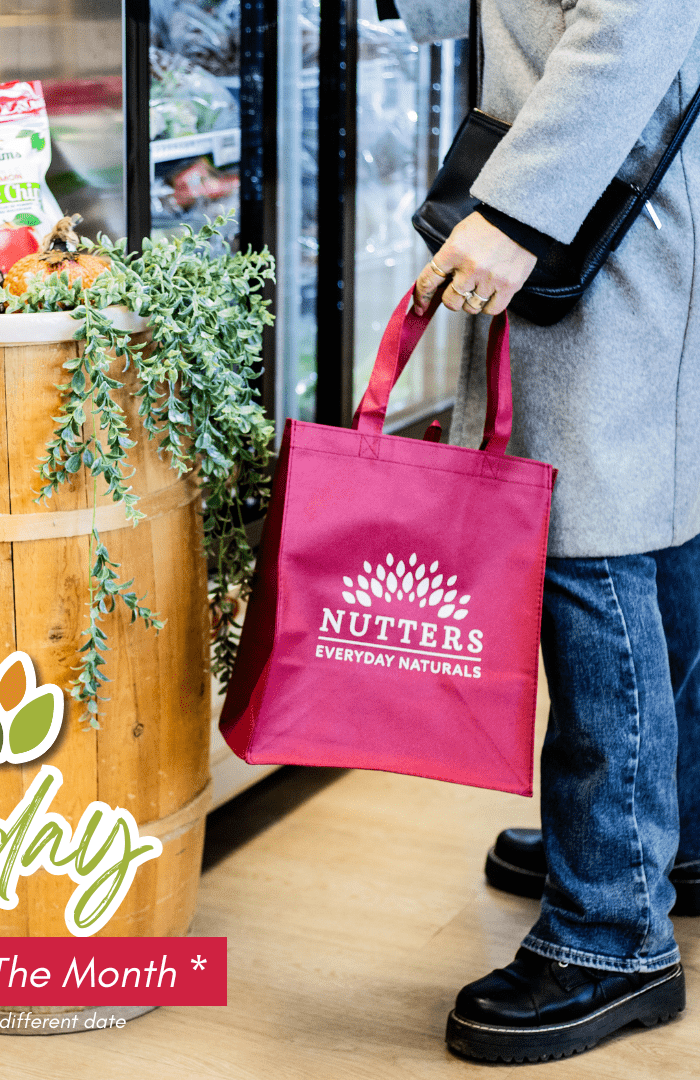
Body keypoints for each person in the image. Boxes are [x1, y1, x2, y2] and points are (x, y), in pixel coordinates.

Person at [391, 0, 700, 1064]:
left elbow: (637, 15)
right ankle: (667, 838)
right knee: (660, 517)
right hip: (634, 186)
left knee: (589, 538)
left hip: (600, 203)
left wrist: (519, 210)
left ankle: (612, 929)